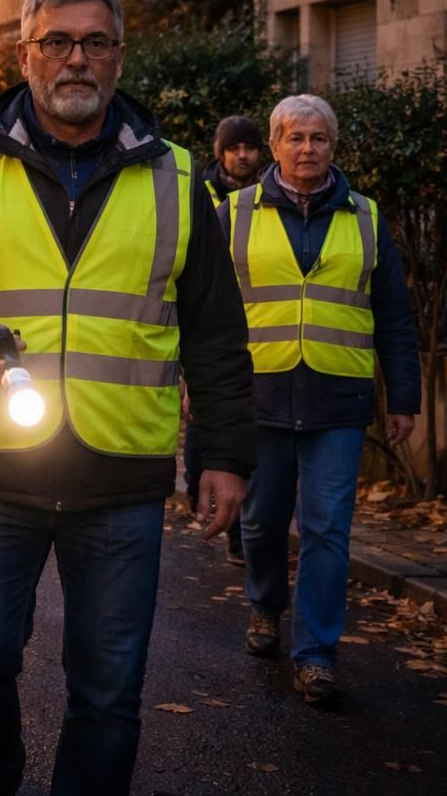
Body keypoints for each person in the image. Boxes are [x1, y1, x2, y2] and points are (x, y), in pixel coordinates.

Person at [0, 0, 255, 796]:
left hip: (121, 476)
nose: (75, 59)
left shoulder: (177, 178)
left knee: (109, 694)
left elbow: (217, 333)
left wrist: (226, 455)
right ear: (25, 54)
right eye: (56, 42)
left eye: (93, 42)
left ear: (119, 55)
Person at [221, 94, 419, 708]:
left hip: (338, 397)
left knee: (328, 528)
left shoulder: (366, 216)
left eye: (319, 138)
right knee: (261, 521)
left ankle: (316, 656)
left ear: (333, 146)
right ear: (275, 145)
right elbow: (205, 309)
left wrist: (403, 397)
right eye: (296, 138)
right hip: (260, 393)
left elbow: (394, 316)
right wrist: (200, 389)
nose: (308, 149)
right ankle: (264, 605)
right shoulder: (234, 214)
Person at [185, 114, 266, 566]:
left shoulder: (269, 198)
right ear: (221, 153)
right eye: (234, 148)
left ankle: (239, 538)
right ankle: (197, 490)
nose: (243, 155)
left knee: (236, 447)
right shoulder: (203, 195)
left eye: (250, 147)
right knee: (202, 434)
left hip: (257, 341)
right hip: (212, 339)